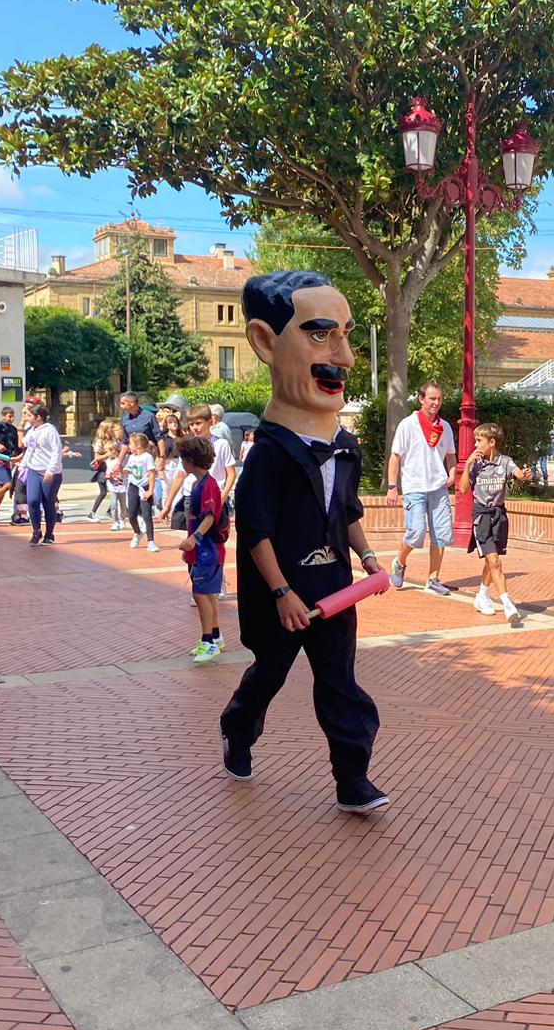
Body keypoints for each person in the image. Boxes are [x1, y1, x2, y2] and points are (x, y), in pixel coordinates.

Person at [219, 270, 388, 813]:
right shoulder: (268, 452)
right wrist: (282, 594)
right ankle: (238, 730)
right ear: (267, 342)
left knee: (340, 685)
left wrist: (366, 557)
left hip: (334, 587)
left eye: (345, 335)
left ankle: (352, 782)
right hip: (284, 597)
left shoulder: (345, 443)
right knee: (268, 674)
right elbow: (256, 530)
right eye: (320, 334)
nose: (344, 357)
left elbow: (347, 511)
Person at [386, 382, 457, 594]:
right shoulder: (408, 425)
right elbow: (395, 456)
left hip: (438, 487)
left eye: (439, 399)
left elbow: (451, 455)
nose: (436, 403)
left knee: (441, 535)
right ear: (421, 399)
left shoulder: (444, 427)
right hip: (414, 487)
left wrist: (452, 473)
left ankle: (433, 579)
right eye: (432, 398)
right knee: (416, 531)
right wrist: (392, 487)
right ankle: (399, 562)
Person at [460, 422, 532, 626]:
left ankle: (482, 595)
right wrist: (467, 466)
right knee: (495, 562)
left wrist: (523, 475)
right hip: (481, 514)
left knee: (492, 560)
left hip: (499, 514)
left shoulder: (505, 462)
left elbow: (517, 473)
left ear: (492, 442)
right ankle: (508, 604)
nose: (476, 444)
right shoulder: (476, 464)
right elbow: (464, 489)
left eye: (479, 441)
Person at [177, 435, 229, 665]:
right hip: (205, 549)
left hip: (207, 549)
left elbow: (209, 517)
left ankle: (208, 640)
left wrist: (194, 539)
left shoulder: (207, 485)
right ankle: (215, 636)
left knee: (200, 594)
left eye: (182, 459)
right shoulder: (201, 483)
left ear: (190, 460)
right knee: (208, 593)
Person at [20, 402, 65, 546]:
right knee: (32, 501)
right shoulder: (32, 430)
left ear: (38, 417)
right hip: (34, 470)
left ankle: (49, 533)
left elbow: (56, 451)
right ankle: (36, 531)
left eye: (29, 415)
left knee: (48, 502)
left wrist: (50, 470)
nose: (27, 418)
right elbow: (26, 445)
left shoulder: (50, 431)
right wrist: (23, 465)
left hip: (49, 473)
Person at [123, 431, 160, 552]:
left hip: (144, 486)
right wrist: (123, 470)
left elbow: (151, 474)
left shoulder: (147, 457)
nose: (129, 446)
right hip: (133, 486)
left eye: (131, 444)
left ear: (138, 446)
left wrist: (150, 490)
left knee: (146, 515)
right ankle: (137, 532)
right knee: (132, 515)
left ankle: (151, 541)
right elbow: (128, 469)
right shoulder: (131, 457)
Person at [86, 418, 118, 521]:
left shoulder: (113, 440)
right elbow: (96, 457)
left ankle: (110, 510)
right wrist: (107, 455)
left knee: (116, 489)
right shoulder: (99, 442)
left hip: (112, 467)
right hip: (104, 469)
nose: (113, 430)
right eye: (111, 428)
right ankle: (92, 512)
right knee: (103, 492)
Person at [105, 439, 129, 530]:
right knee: (113, 504)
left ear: (114, 451)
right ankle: (115, 521)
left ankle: (122, 519)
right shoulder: (108, 461)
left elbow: (125, 471)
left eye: (109, 451)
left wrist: (121, 469)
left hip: (122, 486)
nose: (107, 454)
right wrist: (108, 476)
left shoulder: (122, 460)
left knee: (123, 505)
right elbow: (108, 472)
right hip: (112, 486)